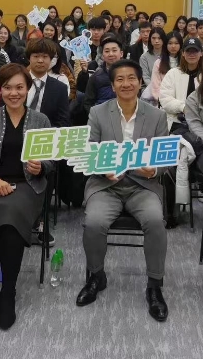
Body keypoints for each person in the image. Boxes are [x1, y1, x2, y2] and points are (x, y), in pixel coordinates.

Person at [76, 60, 170, 322]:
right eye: (120, 79)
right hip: (106, 185)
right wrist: (102, 167)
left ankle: (154, 286)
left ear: (141, 82)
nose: (126, 84)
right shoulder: (98, 112)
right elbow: (89, 150)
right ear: (113, 84)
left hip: (143, 186)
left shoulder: (157, 115)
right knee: (93, 223)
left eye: (132, 78)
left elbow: (165, 157)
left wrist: (155, 171)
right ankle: (96, 276)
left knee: (154, 221)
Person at [0, 63, 55, 330]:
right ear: (0, 90)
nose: (14, 92)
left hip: (27, 186)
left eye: (20, 87)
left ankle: (9, 292)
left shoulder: (41, 120)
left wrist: (41, 166)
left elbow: (52, 159)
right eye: (8, 87)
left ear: (28, 89)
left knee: (9, 227)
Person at [159, 37, 203, 128]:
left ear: (201, 53)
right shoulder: (173, 73)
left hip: (201, 122)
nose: (192, 54)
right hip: (175, 122)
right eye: (188, 51)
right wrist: (183, 107)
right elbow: (165, 99)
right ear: (183, 53)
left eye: (195, 51)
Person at [83, 35, 125, 112]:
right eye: (107, 51)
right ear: (102, 55)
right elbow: (88, 103)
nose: (111, 54)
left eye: (114, 50)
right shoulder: (96, 76)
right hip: (102, 115)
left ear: (121, 53)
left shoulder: (129, 74)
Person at [145, 32, 182, 105]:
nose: (173, 46)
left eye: (176, 43)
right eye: (170, 43)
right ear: (165, 45)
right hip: (163, 101)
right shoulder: (158, 63)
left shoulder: (185, 63)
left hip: (182, 100)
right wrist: (164, 101)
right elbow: (155, 86)